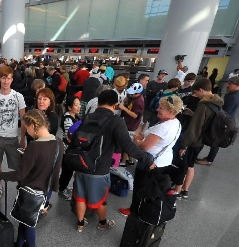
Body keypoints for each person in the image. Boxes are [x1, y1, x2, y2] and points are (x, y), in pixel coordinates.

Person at [73, 89, 155, 233]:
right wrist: (147, 159)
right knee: (101, 199)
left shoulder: (87, 117)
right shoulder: (116, 121)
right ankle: (103, 223)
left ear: (99, 102)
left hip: (80, 163)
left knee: (80, 195)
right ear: (115, 104)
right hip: (99, 167)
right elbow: (128, 146)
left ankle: (80, 224)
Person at [0, 109, 63, 247]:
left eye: (26, 128)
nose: (26, 132)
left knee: (28, 222)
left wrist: (0, 175)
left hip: (32, 188)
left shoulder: (34, 147)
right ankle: (19, 245)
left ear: (32, 126)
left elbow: (20, 174)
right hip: (46, 188)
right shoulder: (58, 142)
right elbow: (53, 165)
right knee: (25, 218)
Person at [118, 95, 183, 216]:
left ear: (171, 112)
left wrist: (137, 140)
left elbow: (144, 147)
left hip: (150, 161)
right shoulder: (176, 123)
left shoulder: (163, 127)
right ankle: (144, 209)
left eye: (161, 108)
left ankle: (134, 210)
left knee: (140, 186)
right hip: (164, 160)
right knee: (151, 188)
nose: (158, 109)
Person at [177, 78, 224, 199]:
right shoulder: (216, 102)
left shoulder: (203, 105)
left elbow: (194, 128)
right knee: (191, 165)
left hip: (194, 140)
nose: (196, 96)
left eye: (196, 93)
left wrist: (184, 145)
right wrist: (194, 114)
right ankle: (185, 190)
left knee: (184, 165)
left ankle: (177, 190)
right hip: (203, 139)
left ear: (201, 90)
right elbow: (206, 120)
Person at [196, 76, 239, 166]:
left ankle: (209, 160)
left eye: (230, 84)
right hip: (226, 119)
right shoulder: (232, 94)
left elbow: (224, 111)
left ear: (237, 86)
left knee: (216, 139)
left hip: (223, 121)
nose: (227, 85)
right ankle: (209, 158)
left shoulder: (233, 97)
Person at [0, 65, 27, 171]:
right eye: (3, 78)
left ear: (12, 79)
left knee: (17, 166)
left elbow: (23, 118)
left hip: (13, 137)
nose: (6, 81)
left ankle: (19, 186)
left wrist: (22, 138)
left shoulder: (18, 96)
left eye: (8, 78)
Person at [58, 95, 81, 200]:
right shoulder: (68, 119)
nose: (79, 106)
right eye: (76, 105)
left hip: (71, 149)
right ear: (69, 107)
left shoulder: (75, 116)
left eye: (79, 104)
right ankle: (61, 189)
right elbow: (70, 135)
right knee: (67, 171)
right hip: (67, 150)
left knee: (69, 170)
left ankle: (64, 187)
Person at [119, 82, 145, 166]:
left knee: (127, 143)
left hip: (131, 125)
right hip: (127, 122)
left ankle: (123, 161)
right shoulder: (133, 98)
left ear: (138, 93)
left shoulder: (139, 101)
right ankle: (130, 159)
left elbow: (135, 115)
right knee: (131, 142)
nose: (131, 95)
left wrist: (123, 108)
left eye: (132, 94)